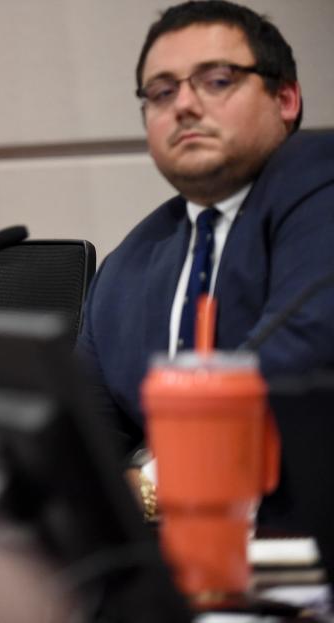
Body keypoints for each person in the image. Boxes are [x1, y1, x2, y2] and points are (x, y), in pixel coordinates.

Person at [77, 0, 334, 455]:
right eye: (161, 93)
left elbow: (293, 365)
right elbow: (79, 443)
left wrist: (154, 482)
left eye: (217, 81)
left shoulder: (319, 184)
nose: (184, 106)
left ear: (286, 99)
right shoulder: (124, 268)